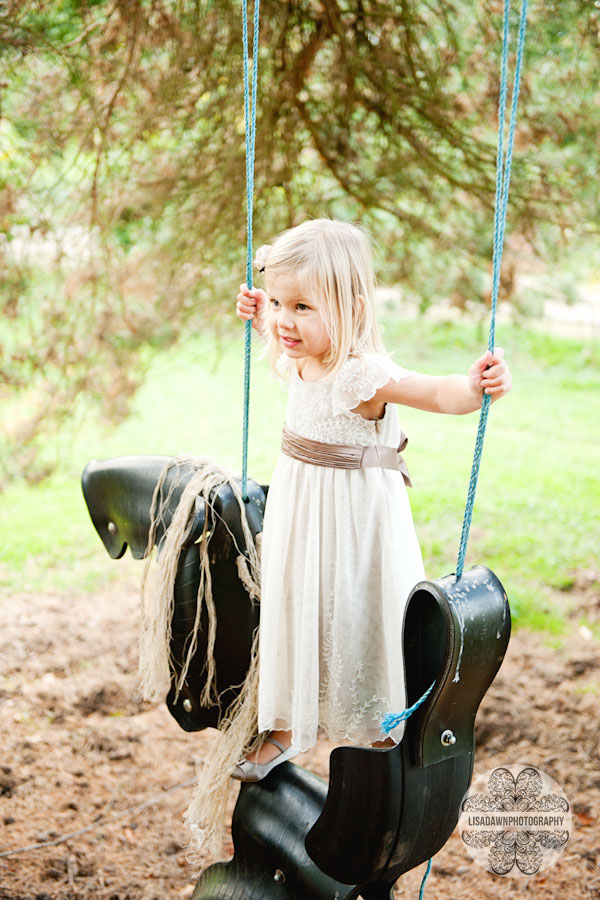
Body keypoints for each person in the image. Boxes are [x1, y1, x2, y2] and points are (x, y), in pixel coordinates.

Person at [233, 218, 512, 782]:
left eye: (303, 307)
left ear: (350, 309)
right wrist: (262, 312)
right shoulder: (301, 351)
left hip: (354, 522)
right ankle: (288, 725)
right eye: (282, 303)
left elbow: (435, 392)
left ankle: (378, 734)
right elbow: (282, 328)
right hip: (301, 512)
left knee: (356, 612)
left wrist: (475, 385)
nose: (286, 321)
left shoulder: (360, 373)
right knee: (296, 606)